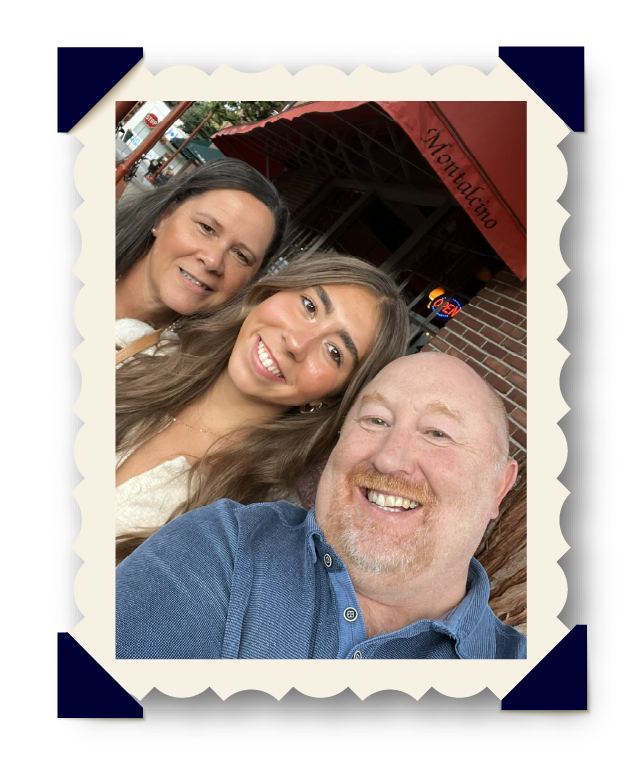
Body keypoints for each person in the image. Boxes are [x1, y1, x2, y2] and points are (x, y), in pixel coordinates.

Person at [116, 351, 526, 659]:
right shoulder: (226, 545)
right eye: (376, 420)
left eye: (437, 433)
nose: (389, 458)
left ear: (499, 487)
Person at [116, 253, 411, 560]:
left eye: (334, 352)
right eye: (309, 306)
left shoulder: (262, 522)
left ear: (333, 396)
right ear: (271, 293)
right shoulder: (130, 348)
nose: (296, 343)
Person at [116, 157, 289, 330]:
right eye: (207, 228)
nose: (213, 261)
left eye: (240, 255)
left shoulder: (180, 349)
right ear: (165, 217)